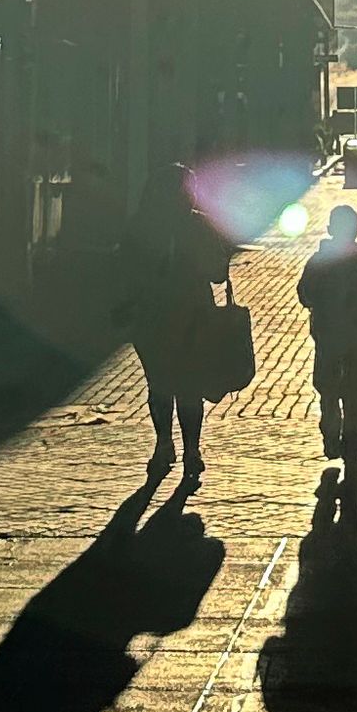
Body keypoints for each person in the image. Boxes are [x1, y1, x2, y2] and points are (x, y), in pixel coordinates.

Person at [119, 155, 233, 481]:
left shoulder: (141, 224)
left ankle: (163, 443)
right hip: (193, 315)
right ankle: (191, 450)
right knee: (190, 385)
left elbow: (125, 271)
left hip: (151, 318)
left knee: (159, 383)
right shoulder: (197, 225)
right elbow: (217, 274)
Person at [298, 204, 357, 482]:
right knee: (355, 391)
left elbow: (305, 294)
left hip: (327, 336)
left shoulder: (319, 261)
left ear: (330, 230)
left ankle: (331, 429)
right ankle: (352, 440)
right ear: (356, 230)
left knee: (327, 387)